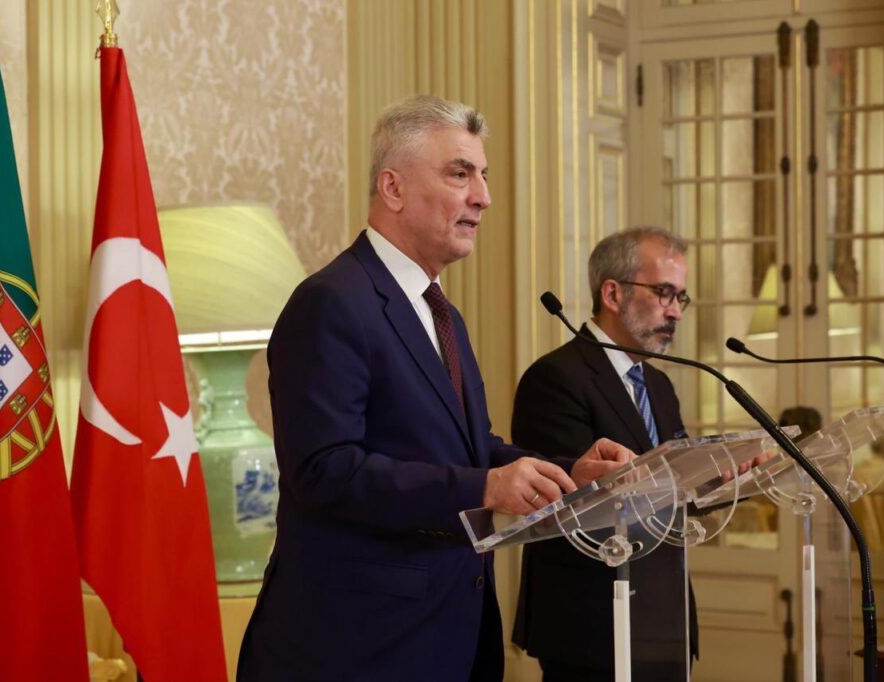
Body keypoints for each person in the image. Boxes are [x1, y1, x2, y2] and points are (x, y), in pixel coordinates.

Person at [235, 95, 635, 682]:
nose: (483, 196)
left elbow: (470, 451)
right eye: (459, 174)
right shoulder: (331, 303)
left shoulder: (440, 310)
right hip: (357, 646)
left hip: (448, 634)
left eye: (483, 175)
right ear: (393, 189)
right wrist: (486, 485)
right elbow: (324, 470)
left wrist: (570, 474)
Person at [511, 227, 697, 682]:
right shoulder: (555, 378)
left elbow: (676, 485)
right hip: (590, 620)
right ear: (612, 292)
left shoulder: (658, 384)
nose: (675, 311)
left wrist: (722, 477)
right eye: (664, 293)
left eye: (681, 298)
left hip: (662, 613)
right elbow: (563, 504)